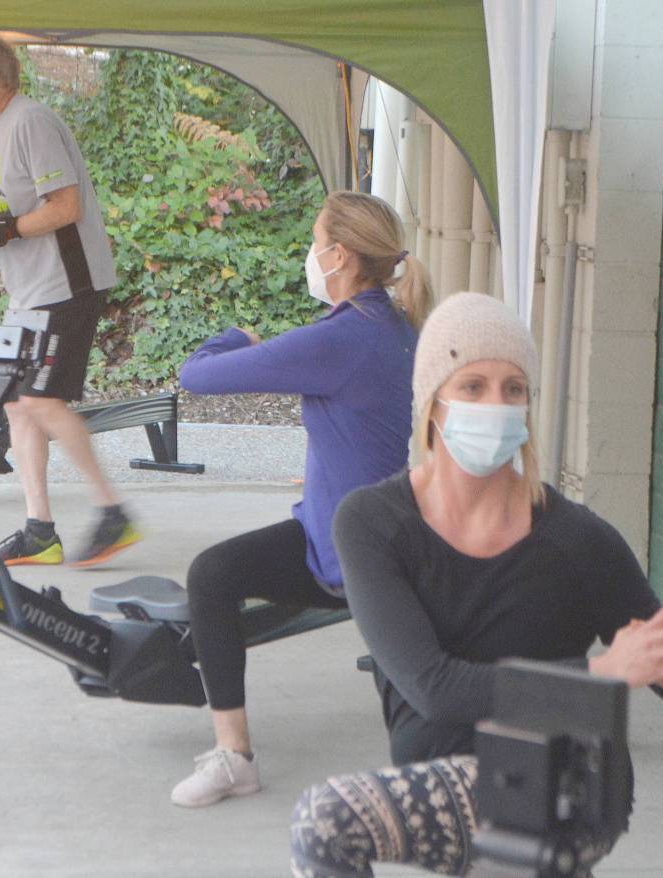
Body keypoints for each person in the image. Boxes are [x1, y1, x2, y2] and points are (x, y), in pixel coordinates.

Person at [289, 292, 663, 877]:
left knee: (326, 820)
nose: (497, 403)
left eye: (514, 388)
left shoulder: (578, 539)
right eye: (473, 386)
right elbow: (434, 688)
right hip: (449, 782)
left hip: (569, 781)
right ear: (433, 403)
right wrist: (603, 672)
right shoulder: (372, 523)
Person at [169, 191, 433, 808]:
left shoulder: (344, 339)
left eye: (315, 243)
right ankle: (234, 758)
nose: (310, 255)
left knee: (212, 578)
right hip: (359, 536)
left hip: (352, 558)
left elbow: (197, 376)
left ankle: (235, 758)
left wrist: (235, 334)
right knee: (215, 573)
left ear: (339, 255)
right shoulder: (390, 325)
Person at [0, 34, 139, 568]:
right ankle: (40, 531)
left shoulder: (31, 121)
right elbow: (16, 214)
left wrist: (3, 229)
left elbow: (67, 206)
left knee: (39, 401)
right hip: (30, 289)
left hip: (67, 284)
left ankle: (112, 511)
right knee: (16, 403)